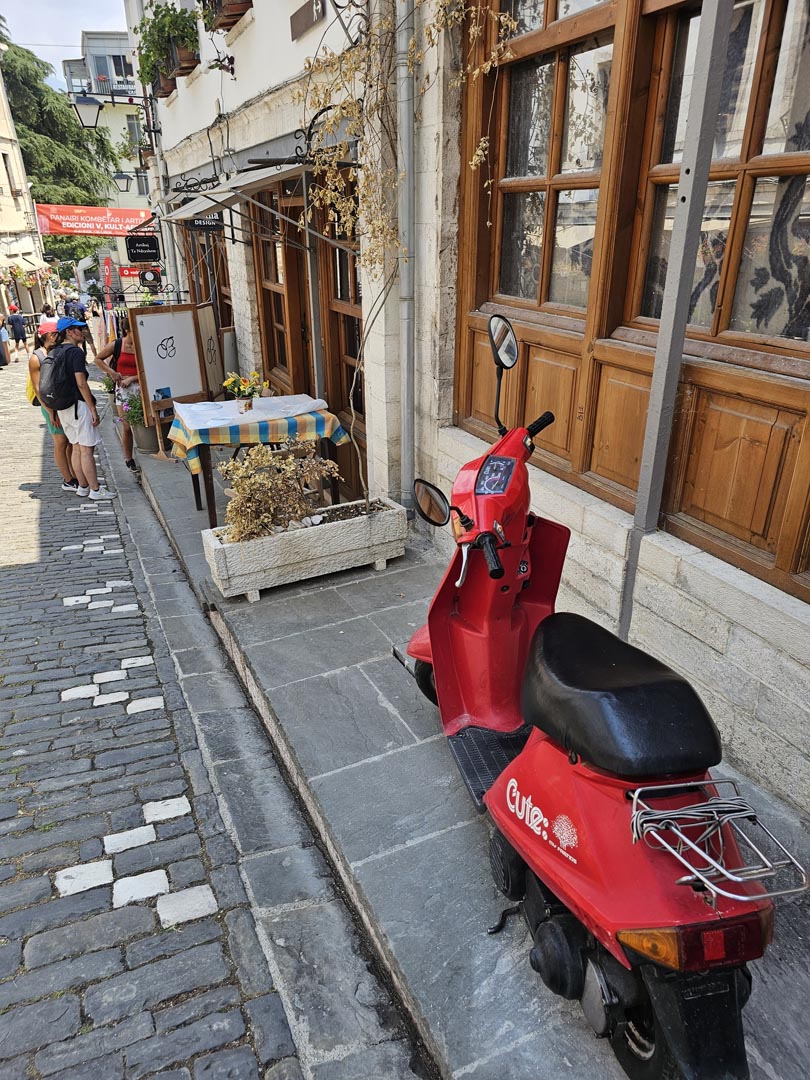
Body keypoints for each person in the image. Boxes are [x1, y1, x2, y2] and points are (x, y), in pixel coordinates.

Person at [50, 316, 116, 501]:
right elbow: (81, 383)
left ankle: (83, 487)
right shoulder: (75, 352)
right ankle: (95, 489)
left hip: (63, 407)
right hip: (78, 405)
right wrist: (92, 408)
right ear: (69, 332)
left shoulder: (54, 351)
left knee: (77, 448)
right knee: (86, 449)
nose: (82, 331)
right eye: (78, 329)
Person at [29, 319, 79, 492]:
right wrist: (51, 412)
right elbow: (38, 389)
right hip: (50, 405)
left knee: (70, 440)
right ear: (51, 335)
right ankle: (67, 479)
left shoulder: (55, 351)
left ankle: (74, 474)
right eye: (58, 333)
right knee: (60, 441)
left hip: (63, 401)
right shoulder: (37, 357)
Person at [95, 314, 139, 473]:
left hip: (140, 386)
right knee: (126, 426)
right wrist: (112, 373)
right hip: (123, 389)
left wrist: (133, 378)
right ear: (127, 330)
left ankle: (147, 449)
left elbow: (150, 367)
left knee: (144, 424)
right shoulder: (117, 344)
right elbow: (98, 359)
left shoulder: (143, 344)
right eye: (135, 331)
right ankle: (129, 458)